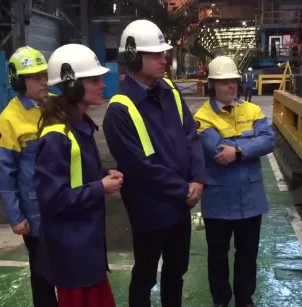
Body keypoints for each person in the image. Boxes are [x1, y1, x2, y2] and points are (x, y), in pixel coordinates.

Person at [102, 19, 206, 307]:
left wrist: (198, 179)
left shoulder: (170, 91)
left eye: (164, 54)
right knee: (146, 275)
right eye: (156, 55)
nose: (164, 60)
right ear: (134, 57)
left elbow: (191, 135)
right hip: (151, 210)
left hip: (181, 204)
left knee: (177, 273)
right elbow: (139, 166)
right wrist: (184, 189)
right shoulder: (120, 110)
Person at [33, 43, 122, 307]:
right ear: (72, 85)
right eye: (94, 80)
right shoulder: (56, 136)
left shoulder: (79, 126)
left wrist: (103, 174)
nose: (102, 85)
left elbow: (77, 174)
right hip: (72, 251)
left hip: (86, 247)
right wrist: (100, 188)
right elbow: (52, 199)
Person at [193, 56, 274, 307]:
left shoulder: (253, 111)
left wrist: (237, 151)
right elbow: (217, 150)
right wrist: (249, 147)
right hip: (219, 199)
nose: (231, 86)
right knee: (218, 255)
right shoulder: (202, 117)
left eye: (234, 81)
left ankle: (244, 297)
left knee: (248, 253)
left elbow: (269, 140)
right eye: (224, 82)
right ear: (212, 85)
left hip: (251, 197)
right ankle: (221, 300)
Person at [0, 46, 57, 307]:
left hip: (63, 202)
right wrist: (16, 217)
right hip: (35, 212)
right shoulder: (9, 121)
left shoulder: (55, 105)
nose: (44, 81)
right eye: (35, 77)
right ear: (19, 81)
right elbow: (4, 175)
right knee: (42, 275)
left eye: (44, 74)